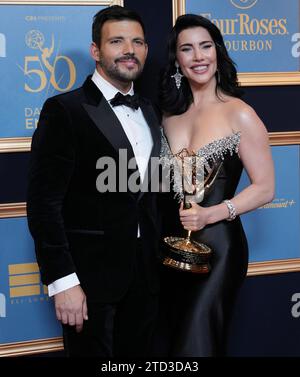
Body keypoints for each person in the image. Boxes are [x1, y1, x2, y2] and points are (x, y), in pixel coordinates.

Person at [27, 5, 161, 357]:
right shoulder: (64, 110)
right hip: (87, 280)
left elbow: (150, 195)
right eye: (117, 41)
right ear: (96, 51)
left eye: (138, 42)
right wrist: (63, 282)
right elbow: (44, 205)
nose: (129, 50)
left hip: (146, 276)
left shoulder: (150, 110)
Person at [157, 14, 275, 357]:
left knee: (198, 342)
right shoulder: (168, 115)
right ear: (176, 59)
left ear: (218, 52)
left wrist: (211, 214)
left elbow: (266, 187)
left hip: (220, 249)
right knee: (176, 342)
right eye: (187, 49)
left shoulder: (240, 113)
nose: (198, 57)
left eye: (206, 46)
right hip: (172, 253)